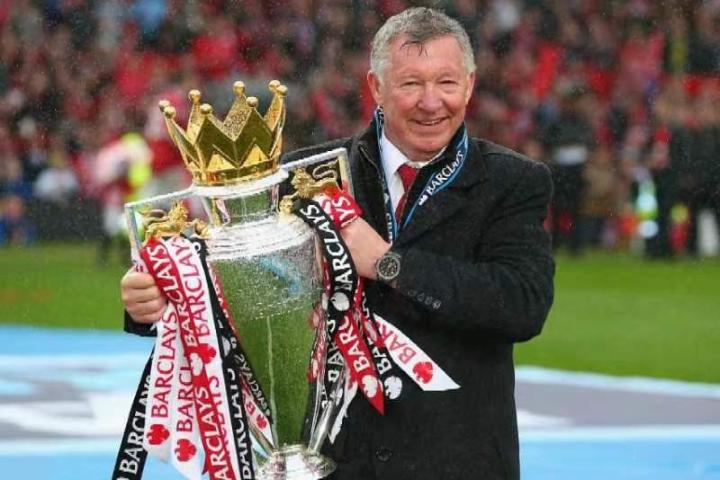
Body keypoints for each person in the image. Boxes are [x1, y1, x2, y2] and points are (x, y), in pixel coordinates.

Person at [121, 7, 554, 479]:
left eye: (446, 83)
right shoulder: (304, 180)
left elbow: (521, 304)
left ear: (469, 85)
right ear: (376, 87)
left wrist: (389, 264)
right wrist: (155, 301)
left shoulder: (512, 182)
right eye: (411, 84)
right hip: (333, 463)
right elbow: (233, 288)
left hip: (457, 462)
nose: (431, 102)